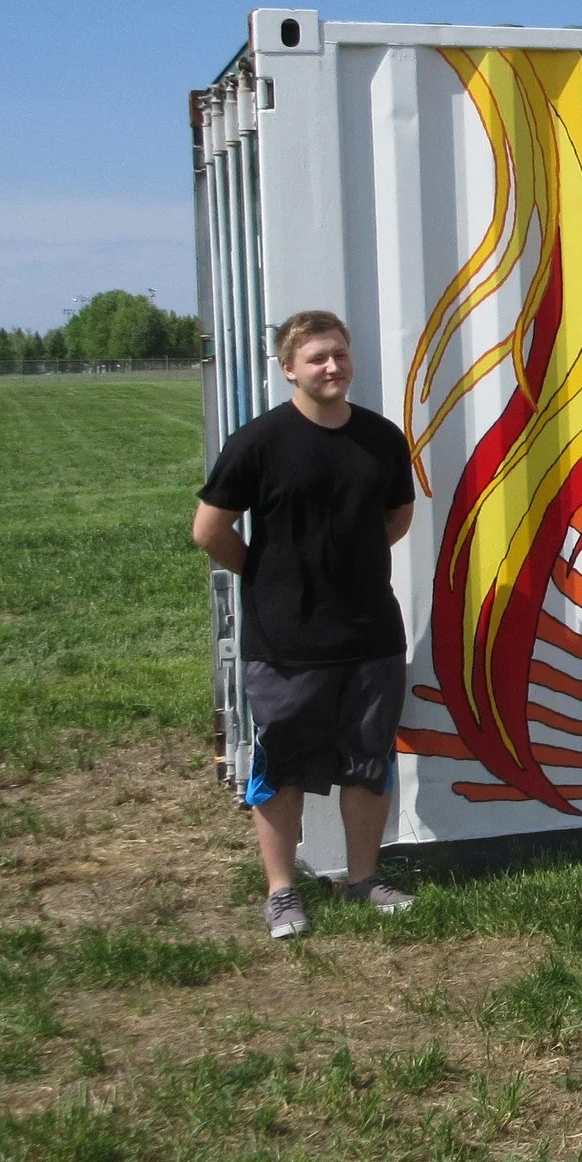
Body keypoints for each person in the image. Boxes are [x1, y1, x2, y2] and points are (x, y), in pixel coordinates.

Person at [192, 310, 419, 937]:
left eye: (340, 354)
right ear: (289, 368)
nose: (332, 367)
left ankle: (364, 878)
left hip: (371, 634)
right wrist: (265, 577)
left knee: (369, 761)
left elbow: (397, 515)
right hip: (285, 639)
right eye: (317, 357)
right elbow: (208, 530)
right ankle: (282, 890)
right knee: (282, 764)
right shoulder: (259, 443)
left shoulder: (381, 439)